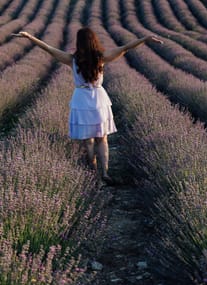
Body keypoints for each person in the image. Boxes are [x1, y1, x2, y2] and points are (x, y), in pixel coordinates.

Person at [12, 27, 163, 184]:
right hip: (99, 100)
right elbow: (125, 47)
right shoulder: (101, 57)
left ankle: (92, 173)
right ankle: (105, 174)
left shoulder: (72, 59)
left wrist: (30, 36)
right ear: (94, 41)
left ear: (79, 42)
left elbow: (49, 49)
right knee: (102, 139)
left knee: (88, 140)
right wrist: (145, 39)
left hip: (81, 100)